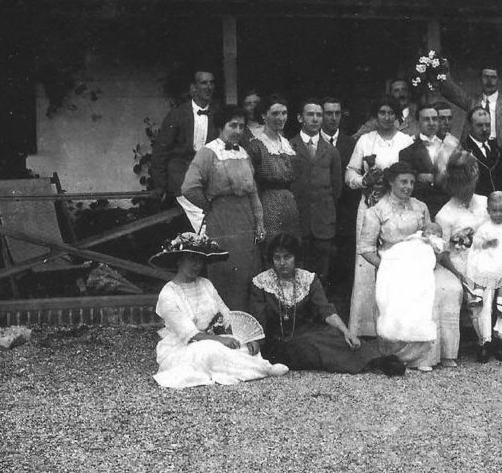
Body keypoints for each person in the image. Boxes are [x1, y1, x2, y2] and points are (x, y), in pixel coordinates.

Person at [247, 234, 404, 376]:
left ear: (296, 258)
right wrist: (255, 342)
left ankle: (378, 362)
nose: (282, 263)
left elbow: (326, 310)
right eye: (277, 258)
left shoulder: (307, 279)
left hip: (303, 332)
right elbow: (258, 319)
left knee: (335, 336)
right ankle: (370, 364)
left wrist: (346, 332)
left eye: (287, 257)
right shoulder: (262, 282)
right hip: (276, 340)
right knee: (313, 345)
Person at [150, 232, 288, 389]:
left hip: (214, 337)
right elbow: (189, 335)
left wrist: (245, 339)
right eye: (192, 260)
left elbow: (225, 314)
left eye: (200, 261)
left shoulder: (206, 284)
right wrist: (221, 340)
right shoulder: (168, 294)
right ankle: (263, 369)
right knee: (208, 350)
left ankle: (258, 365)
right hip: (184, 346)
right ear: (180, 260)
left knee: (242, 346)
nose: (197, 265)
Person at [181, 104, 265, 311]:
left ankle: (249, 327)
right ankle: (226, 326)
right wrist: (208, 205)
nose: (237, 131)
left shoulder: (244, 153)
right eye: (232, 125)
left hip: (246, 223)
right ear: (221, 126)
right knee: (227, 273)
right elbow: (188, 187)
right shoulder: (208, 152)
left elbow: (253, 191)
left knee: (249, 273)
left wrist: (260, 222)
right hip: (222, 222)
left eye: (241, 126)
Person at [358, 162, 440, 371]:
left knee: (424, 299)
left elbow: (429, 236)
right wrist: (387, 267)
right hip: (390, 264)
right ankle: (395, 356)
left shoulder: (420, 207)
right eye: (403, 181)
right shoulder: (377, 211)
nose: (408, 186)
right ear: (391, 182)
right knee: (395, 301)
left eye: (412, 182)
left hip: (417, 264)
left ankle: (419, 356)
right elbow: (366, 249)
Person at [345, 96, 414, 337]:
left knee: (394, 260)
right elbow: (350, 172)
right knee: (366, 261)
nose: (386, 117)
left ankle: (393, 326)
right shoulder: (366, 140)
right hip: (370, 206)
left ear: (397, 115)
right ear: (376, 115)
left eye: (390, 113)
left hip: (396, 209)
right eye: (381, 113)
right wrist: (363, 180)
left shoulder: (406, 141)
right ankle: (365, 326)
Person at [440, 62, 502, 194]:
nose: (489, 81)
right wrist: (442, 71)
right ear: (480, 79)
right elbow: (451, 91)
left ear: (499, 80)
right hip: (476, 154)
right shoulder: (472, 102)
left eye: (493, 77)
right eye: (486, 77)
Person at [433, 151, 489, 367]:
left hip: (486, 256)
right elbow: (443, 253)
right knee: (473, 289)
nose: (468, 189)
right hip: (459, 261)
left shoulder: (485, 203)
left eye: (471, 182)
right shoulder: (445, 214)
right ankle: (483, 341)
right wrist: (459, 275)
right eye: (463, 184)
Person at [150, 68, 218, 232]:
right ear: (193, 88)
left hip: (210, 179)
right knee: (205, 219)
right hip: (182, 177)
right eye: (203, 82)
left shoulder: (218, 115)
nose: (208, 87)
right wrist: (160, 185)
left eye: (211, 83)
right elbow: (161, 151)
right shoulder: (177, 115)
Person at [464, 191, 502, 361]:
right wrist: (485, 245)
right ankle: (484, 341)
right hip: (487, 271)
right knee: (484, 301)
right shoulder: (484, 228)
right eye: (494, 210)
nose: (498, 214)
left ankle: (501, 340)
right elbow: (475, 247)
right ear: (488, 210)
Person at [289, 98, 343, 282]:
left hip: (323, 222)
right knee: (297, 271)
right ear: (299, 118)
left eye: (319, 115)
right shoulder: (288, 146)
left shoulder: (331, 151)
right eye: (310, 114)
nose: (315, 119)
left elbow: (336, 189)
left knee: (322, 273)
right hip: (298, 221)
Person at [245, 94, 301, 244]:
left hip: (291, 205)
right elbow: (252, 185)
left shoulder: (288, 144)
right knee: (273, 247)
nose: (281, 118)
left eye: (284, 113)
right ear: (264, 116)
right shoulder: (256, 146)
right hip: (268, 204)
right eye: (275, 113)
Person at [321, 96, 360, 288]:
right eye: (328, 113)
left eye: (337, 113)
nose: (333, 118)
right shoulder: (311, 142)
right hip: (319, 211)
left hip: (344, 210)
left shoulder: (350, 143)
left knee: (344, 259)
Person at [398, 104, 449, 216]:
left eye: (435, 119)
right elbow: (408, 185)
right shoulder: (406, 153)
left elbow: (460, 180)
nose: (431, 123)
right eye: (426, 119)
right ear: (418, 123)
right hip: (421, 210)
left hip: (449, 209)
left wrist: (432, 178)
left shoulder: (450, 147)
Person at [462, 106, 502, 197]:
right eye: (479, 125)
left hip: (498, 204)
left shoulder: (498, 149)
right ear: (470, 126)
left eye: (487, 125)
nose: (484, 129)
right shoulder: (462, 150)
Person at [353, 79, 418, 137]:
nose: (401, 94)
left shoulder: (418, 115)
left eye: (404, 90)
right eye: (396, 91)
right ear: (390, 94)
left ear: (409, 93)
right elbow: (356, 138)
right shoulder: (378, 120)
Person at [434, 101, 462, 168]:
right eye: (442, 118)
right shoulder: (423, 143)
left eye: (449, 118)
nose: (447, 123)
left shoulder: (456, 144)